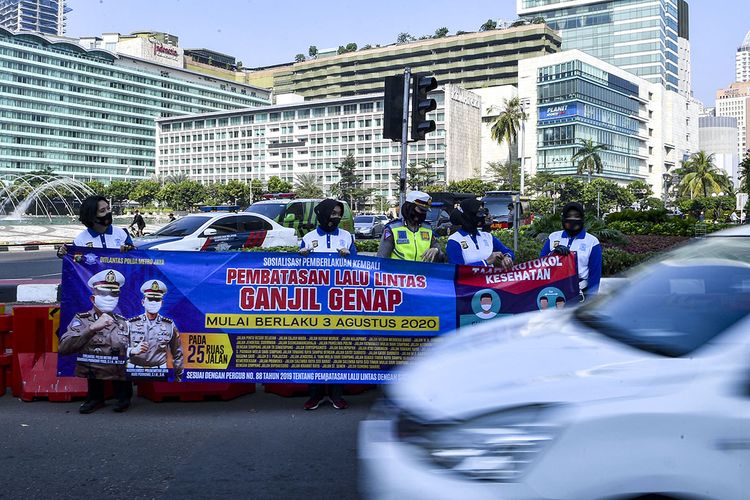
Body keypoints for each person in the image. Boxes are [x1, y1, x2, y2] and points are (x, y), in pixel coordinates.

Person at [57, 195, 135, 413]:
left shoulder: (121, 234)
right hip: (94, 297)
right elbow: (74, 265)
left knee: (120, 345)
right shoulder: (81, 239)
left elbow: (136, 260)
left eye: (108, 209)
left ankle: (123, 396)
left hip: (121, 298)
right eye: (102, 211)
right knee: (93, 347)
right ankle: (95, 397)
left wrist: (131, 250)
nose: (107, 213)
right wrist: (63, 254)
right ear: (91, 216)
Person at [299, 199, 356, 410]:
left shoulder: (346, 236)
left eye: (339, 213)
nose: (336, 217)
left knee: (338, 347)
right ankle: (315, 395)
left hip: (340, 301)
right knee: (315, 348)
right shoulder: (308, 238)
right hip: (314, 302)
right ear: (322, 213)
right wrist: (302, 257)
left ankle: (336, 394)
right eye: (332, 212)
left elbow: (360, 268)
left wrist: (349, 258)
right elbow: (298, 273)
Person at [59, 269, 132, 413]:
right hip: (92, 372)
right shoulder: (82, 319)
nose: (109, 297)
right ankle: (95, 399)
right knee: (93, 357)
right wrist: (91, 329)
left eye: (114, 293)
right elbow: (64, 348)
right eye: (103, 293)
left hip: (120, 375)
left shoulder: (124, 322)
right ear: (93, 298)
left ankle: (123, 398)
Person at [540, 202, 602, 297]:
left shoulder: (592, 242)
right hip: (554, 291)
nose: (573, 219)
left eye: (576, 216)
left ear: (582, 218)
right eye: (569, 216)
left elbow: (594, 275)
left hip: (580, 292)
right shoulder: (553, 237)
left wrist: (591, 301)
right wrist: (553, 254)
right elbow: (541, 264)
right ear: (564, 219)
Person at [127, 280, 184, 382]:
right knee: (132, 397)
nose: (153, 302)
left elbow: (177, 353)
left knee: (158, 395)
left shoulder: (169, 325)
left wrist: (178, 376)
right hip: (134, 369)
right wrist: (132, 351)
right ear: (143, 302)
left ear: (161, 303)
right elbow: (119, 349)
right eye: (150, 299)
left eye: (157, 299)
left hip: (159, 371)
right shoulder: (131, 323)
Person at [446, 198, 514, 269]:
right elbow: (456, 270)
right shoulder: (454, 240)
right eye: (479, 213)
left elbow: (508, 251)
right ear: (468, 215)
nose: (483, 216)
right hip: (469, 280)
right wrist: (486, 262)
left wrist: (507, 257)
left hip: (488, 279)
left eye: (483, 213)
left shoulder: (488, 237)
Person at [377, 191, 444, 262]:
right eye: (420, 210)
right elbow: (382, 259)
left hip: (422, 272)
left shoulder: (427, 228)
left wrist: (436, 249)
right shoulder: (392, 228)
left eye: (425, 211)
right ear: (409, 207)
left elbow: (437, 247)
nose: (422, 213)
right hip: (400, 272)